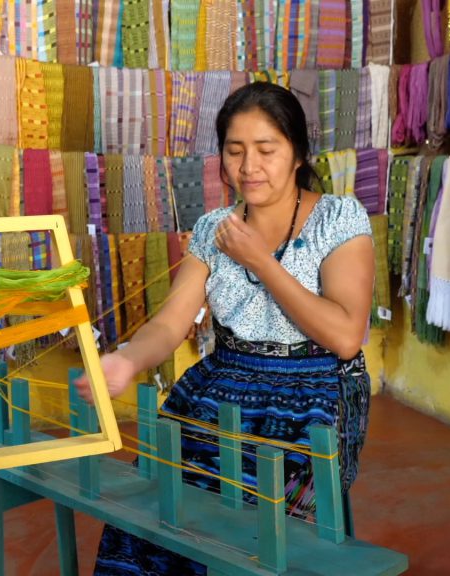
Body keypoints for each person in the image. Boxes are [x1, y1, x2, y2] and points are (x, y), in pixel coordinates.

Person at [76, 81, 375, 575]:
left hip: (317, 391)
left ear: (298, 153)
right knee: (160, 503)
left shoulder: (338, 218)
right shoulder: (215, 227)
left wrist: (261, 261)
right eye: (235, 151)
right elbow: (171, 323)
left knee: (249, 529)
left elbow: (344, 335)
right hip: (225, 385)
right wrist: (127, 359)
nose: (249, 167)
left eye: (266, 150)